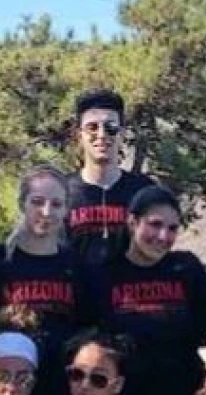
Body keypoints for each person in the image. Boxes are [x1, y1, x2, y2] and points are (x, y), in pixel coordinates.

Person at [87, 185, 206, 395]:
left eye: (172, 228)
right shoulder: (104, 273)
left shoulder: (187, 269)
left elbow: (204, 331)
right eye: (155, 224)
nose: (163, 236)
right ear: (133, 222)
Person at [0, 166, 91, 395]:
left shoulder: (78, 266)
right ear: (22, 204)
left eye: (56, 204)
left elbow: (88, 329)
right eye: (37, 202)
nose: (46, 212)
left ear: (66, 209)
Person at [65, 88, 156, 266]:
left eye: (111, 128)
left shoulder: (145, 192)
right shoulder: (61, 192)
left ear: (122, 133)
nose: (101, 135)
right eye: (92, 127)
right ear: (79, 135)